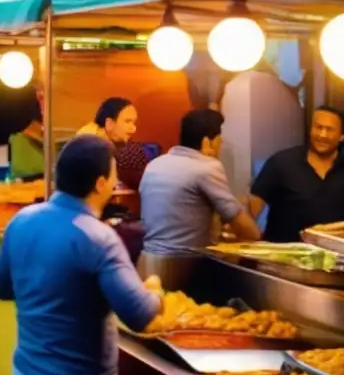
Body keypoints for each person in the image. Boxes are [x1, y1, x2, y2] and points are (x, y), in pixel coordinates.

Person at [0, 134, 164, 375]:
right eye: (113, 175)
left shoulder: (22, 220)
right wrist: (156, 291)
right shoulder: (98, 238)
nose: (115, 183)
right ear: (100, 183)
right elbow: (140, 315)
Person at [138, 109, 261, 287]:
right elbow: (237, 219)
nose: (221, 147)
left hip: (146, 265)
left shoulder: (154, 164)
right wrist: (261, 241)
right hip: (184, 267)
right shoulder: (207, 167)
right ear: (206, 142)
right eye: (219, 141)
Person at [252, 106, 344, 242]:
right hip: (282, 258)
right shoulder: (281, 162)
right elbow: (251, 209)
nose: (322, 135)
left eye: (329, 130)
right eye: (318, 127)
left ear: (342, 136)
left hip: (336, 260)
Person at [80, 98, 149, 191]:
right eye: (127, 121)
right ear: (109, 123)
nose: (133, 129)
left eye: (134, 123)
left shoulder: (125, 147)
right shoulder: (87, 148)